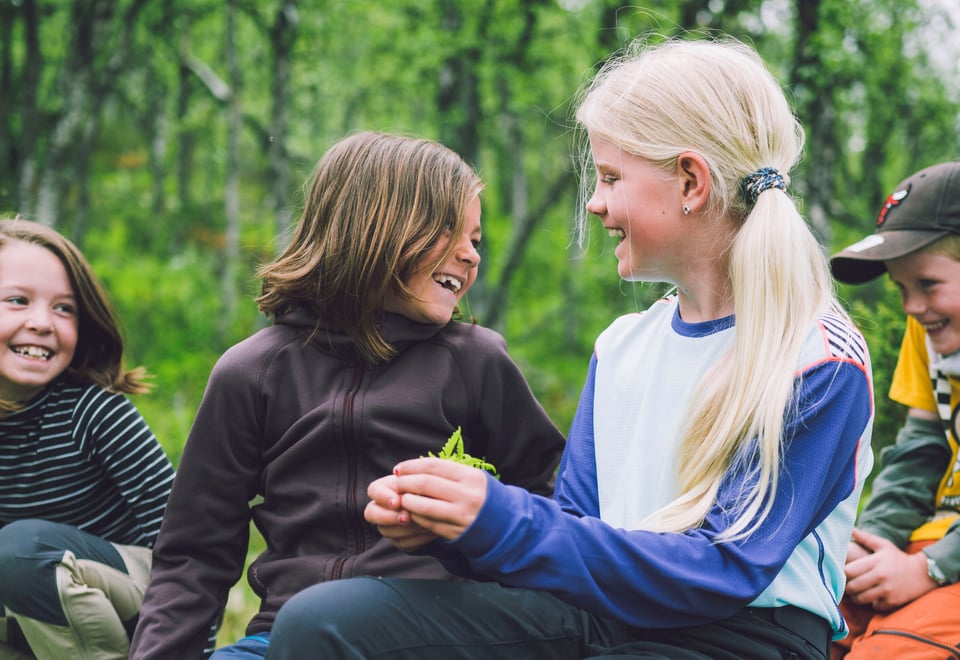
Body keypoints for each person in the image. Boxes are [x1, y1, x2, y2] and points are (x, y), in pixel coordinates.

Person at [263, 37, 875, 660]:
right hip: (600, 618)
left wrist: (501, 518)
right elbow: (577, 533)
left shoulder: (819, 359)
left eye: (611, 177)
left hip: (745, 636)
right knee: (324, 621)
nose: (595, 201)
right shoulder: (622, 347)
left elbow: (723, 571)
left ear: (690, 181)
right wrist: (458, 530)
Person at [128, 131, 565, 660]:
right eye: (452, 231)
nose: (472, 255)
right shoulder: (250, 373)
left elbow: (549, 510)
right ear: (375, 227)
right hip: (284, 636)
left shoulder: (476, 363)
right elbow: (193, 557)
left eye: (477, 239)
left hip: (431, 634)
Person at [0, 218, 175, 660]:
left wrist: (190, 648)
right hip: (30, 608)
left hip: (134, 593)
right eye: (18, 301)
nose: (42, 323)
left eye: (65, 308)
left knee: (22, 552)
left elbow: (186, 542)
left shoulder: (93, 410)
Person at [829, 160, 960, 658]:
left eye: (927, 284)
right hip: (924, 544)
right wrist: (871, 540)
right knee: (809, 620)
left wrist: (929, 570)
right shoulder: (928, 332)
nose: (911, 307)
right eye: (902, 289)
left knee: (887, 652)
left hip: (942, 561)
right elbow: (921, 450)